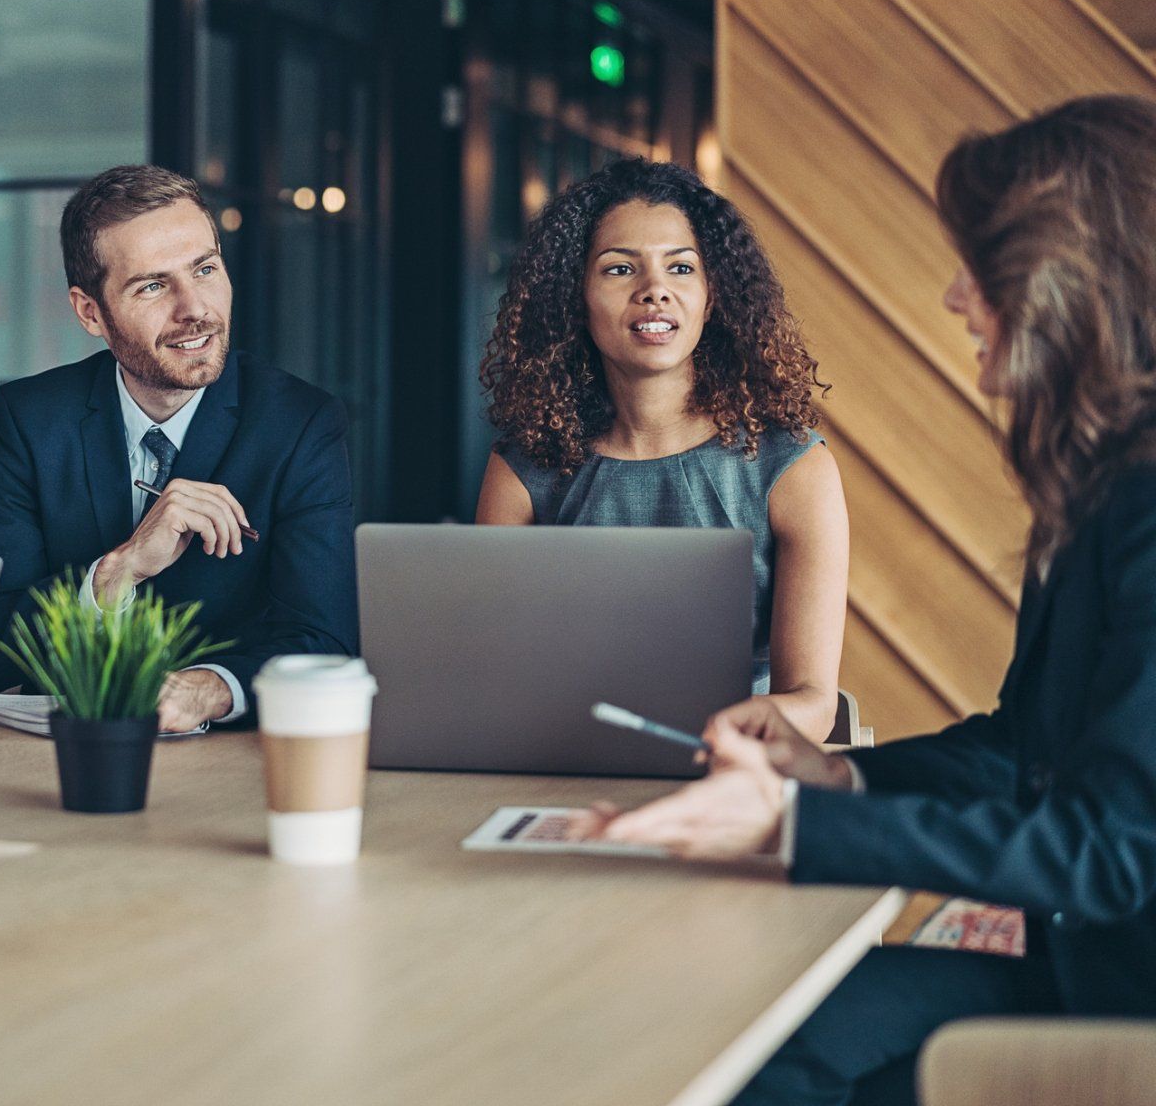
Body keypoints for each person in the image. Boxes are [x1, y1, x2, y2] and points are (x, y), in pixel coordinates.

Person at [578, 96, 1156, 1101]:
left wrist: (792, 826)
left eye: (979, 269)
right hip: (1076, 964)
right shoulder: (1098, 482)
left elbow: (1110, 853)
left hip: (1123, 1005)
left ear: (1065, 281)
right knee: (745, 1038)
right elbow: (1022, 745)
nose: (952, 296)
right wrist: (835, 778)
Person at [0, 164, 358, 731]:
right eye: (153, 285)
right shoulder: (33, 420)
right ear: (89, 312)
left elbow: (325, 642)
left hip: (235, 765)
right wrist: (117, 570)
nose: (194, 307)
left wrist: (211, 689)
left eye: (205, 269)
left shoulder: (300, 425)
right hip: (58, 759)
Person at [475, 159, 847, 740]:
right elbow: (493, 675)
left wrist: (711, 735)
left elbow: (813, 704)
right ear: (577, 296)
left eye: (681, 267)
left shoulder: (793, 468)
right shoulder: (523, 471)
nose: (655, 291)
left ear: (711, 296)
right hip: (563, 760)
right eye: (621, 269)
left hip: (729, 770)